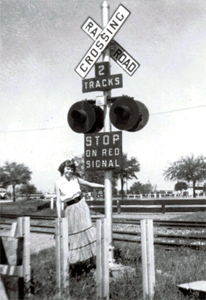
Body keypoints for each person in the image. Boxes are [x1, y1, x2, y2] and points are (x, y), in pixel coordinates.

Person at [55, 158, 104, 264]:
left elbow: (90, 184)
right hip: (70, 208)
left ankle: (95, 258)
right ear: (63, 169)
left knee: (87, 228)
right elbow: (58, 202)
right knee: (75, 233)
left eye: (71, 169)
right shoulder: (58, 183)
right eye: (68, 169)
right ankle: (77, 259)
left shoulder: (75, 178)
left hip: (81, 205)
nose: (69, 171)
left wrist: (104, 186)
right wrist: (59, 218)